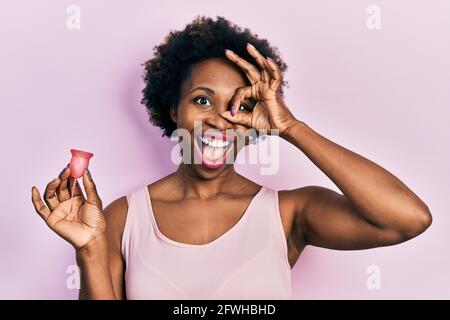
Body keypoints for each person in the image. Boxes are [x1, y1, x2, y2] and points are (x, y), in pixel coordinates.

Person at [31, 16, 432, 300]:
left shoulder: (289, 212)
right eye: (202, 100)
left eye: (240, 105)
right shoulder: (121, 218)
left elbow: (408, 219)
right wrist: (89, 250)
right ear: (174, 109)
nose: (220, 119)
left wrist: (291, 127)